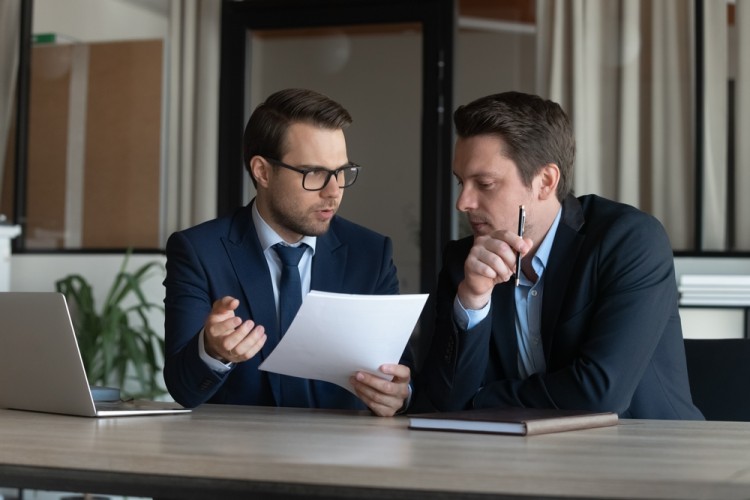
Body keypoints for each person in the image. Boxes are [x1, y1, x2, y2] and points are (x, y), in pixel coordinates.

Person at [414, 91, 704, 420]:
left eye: (485, 183)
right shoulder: (465, 262)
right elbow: (443, 401)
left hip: (646, 455)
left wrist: (480, 398)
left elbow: (599, 394)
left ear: (545, 181)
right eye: (461, 182)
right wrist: (473, 298)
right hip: (521, 460)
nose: (463, 203)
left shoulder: (629, 241)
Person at [163, 88, 411, 416]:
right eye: (314, 173)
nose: (333, 191)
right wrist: (212, 352)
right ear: (262, 172)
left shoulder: (372, 254)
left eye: (341, 171)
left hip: (344, 455)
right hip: (235, 457)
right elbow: (183, 390)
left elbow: (399, 371)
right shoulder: (199, 252)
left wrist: (400, 393)